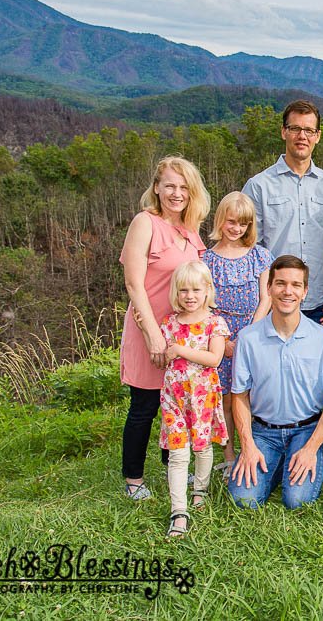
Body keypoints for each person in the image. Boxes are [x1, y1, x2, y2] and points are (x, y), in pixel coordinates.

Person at [120, 156, 210, 502]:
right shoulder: (145, 223)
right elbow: (133, 283)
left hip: (182, 335)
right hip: (149, 329)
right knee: (144, 406)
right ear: (156, 187)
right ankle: (134, 479)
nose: (176, 193)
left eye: (183, 187)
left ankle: (173, 463)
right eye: (170, 185)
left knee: (178, 402)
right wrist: (153, 335)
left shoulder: (190, 229)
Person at [228, 255, 323, 510]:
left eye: (295, 285)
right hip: (263, 432)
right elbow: (240, 396)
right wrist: (247, 446)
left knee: (297, 500)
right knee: (244, 500)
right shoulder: (248, 338)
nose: (287, 291)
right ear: (269, 288)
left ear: (305, 291)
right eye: (280, 283)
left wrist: (311, 448)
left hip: (306, 430)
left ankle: (300, 455)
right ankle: (277, 460)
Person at [242, 100, 323, 326]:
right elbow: (248, 248)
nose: (302, 136)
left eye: (309, 130)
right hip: (274, 301)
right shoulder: (259, 186)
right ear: (283, 132)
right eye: (295, 128)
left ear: (318, 136)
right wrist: (263, 299)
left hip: (321, 301)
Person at [203, 192, 272, 477]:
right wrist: (223, 340)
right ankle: (229, 455)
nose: (236, 228)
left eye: (243, 224)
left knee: (253, 394)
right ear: (221, 220)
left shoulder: (259, 255)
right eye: (231, 222)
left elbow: (266, 298)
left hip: (253, 331)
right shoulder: (206, 259)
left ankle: (256, 447)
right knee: (227, 398)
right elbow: (204, 304)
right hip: (219, 336)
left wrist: (249, 335)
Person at [159, 261, 230, 538]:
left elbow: (214, 358)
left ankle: (200, 488)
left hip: (202, 398)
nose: (189, 296)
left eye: (196, 290)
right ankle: (179, 511)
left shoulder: (215, 323)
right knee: (178, 454)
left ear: (207, 290)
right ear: (176, 292)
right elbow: (162, 357)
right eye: (184, 290)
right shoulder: (169, 323)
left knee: (202, 447)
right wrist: (145, 329)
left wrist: (180, 349)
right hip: (174, 398)